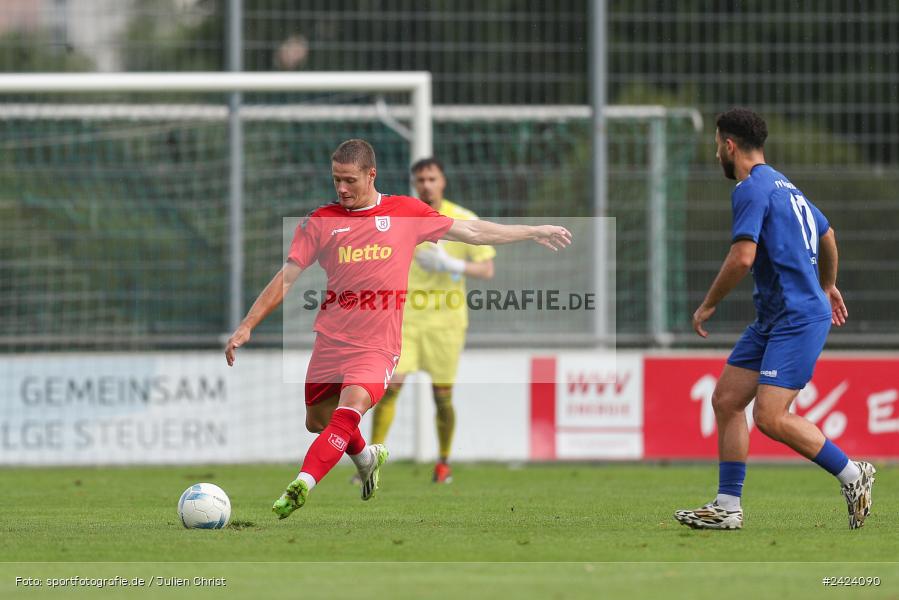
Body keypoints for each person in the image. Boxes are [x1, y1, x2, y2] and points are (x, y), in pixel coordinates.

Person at [224, 139, 571, 519]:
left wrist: (531, 231)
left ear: (371, 174)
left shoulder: (405, 213)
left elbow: (472, 232)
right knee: (317, 422)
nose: (342, 189)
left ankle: (302, 484)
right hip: (331, 341)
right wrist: (247, 325)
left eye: (350, 180)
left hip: (378, 346)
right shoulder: (321, 221)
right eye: (336, 180)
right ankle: (366, 458)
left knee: (350, 410)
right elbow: (287, 277)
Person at [674, 108, 875, 531]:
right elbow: (828, 234)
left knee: (770, 416)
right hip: (775, 316)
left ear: (730, 145)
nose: (716, 154)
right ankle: (727, 506)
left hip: (796, 318)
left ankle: (853, 473)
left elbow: (742, 257)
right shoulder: (787, 186)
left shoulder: (750, 189)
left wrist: (708, 304)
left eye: (717, 146)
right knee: (727, 400)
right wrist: (828, 283)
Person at [369, 158, 495, 483]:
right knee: (389, 388)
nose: (427, 185)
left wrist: (453, 266)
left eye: (432, 178)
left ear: (443, 181)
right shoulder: (400, 218)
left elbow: (486, 269)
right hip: (405, 319)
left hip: (446, 322)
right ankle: (371, 460)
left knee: (442, 397)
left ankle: (443, 462)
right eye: (421, 179)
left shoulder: (463, 219)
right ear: (414, 183)